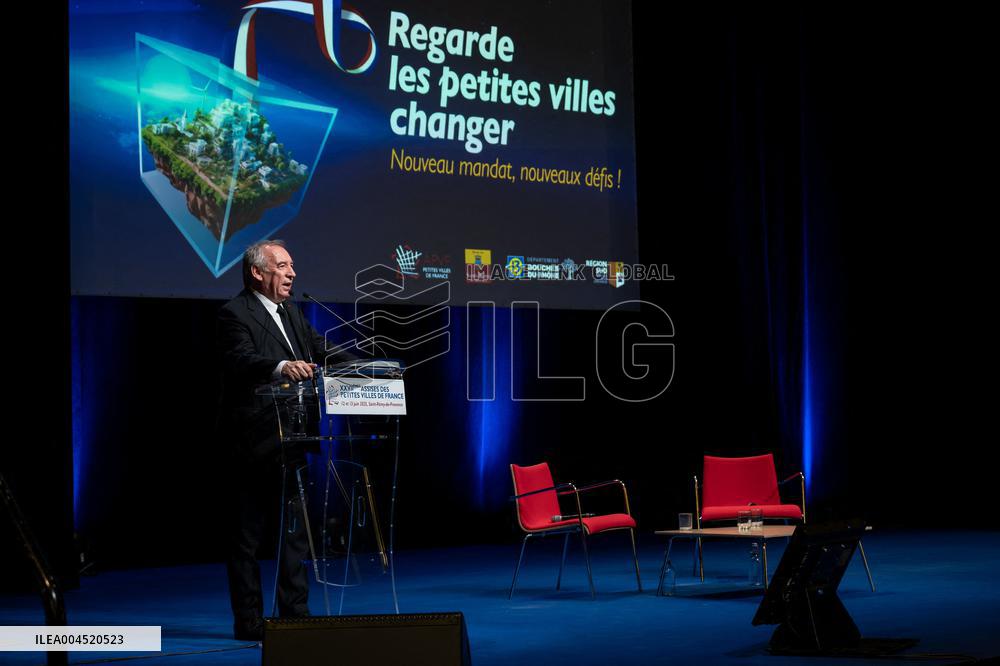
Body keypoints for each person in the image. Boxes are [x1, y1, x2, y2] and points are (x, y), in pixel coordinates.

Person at [216, 239, 354, 641]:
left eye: (292, 265)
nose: (292, 272)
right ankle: (250, 622)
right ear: (258, 272)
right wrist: (280, 367)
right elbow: (239, 361)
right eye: (282, 265)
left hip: (291, 440)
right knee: (247, 540)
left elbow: (320, 349)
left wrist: (367, 365)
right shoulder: (233, 314)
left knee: (295, 534)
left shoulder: (292, 313)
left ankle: (295, 613)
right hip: (250, 443)